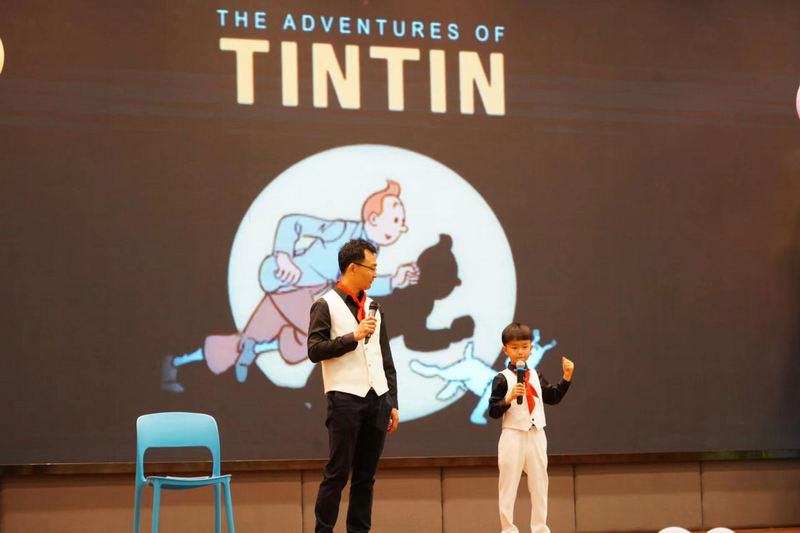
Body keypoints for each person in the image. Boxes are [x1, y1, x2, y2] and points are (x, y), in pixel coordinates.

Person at [161, 180, 418, 391]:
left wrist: (395, 281)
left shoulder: (367, 252)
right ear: (373, 218)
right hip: (290, 288)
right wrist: (284, 255)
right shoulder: (341, 231)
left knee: (283, 345)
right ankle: (189, 359)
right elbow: (291, 223)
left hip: (306, 296)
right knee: (315, 340)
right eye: (396, 220)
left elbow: (356, 282)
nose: (402, 227)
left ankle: (207, 356)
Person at [308, 238, 400, 533]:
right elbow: (314, 350)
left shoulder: (374, 306)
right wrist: (353, 337)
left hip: (378, 399)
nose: (375, 274)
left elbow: (385, 358)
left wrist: (393, 402)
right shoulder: (325, 304)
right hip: (345, 399)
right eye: (371, 268)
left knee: (365, 476)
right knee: (337, 474)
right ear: (352, 268)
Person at [489, 322, 575, 533]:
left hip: (536, 434)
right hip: (513, 435)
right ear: (505, 350)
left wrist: (566, 377)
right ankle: (508, 529)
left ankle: (540, 529)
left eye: (525, 347)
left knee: (539, 483)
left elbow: (552, 397)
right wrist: (508, 398)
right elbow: (493, 411)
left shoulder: (536, 375)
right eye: (515, 348)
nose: (520, 352)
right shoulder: (502, 378)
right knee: (508, 485)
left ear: (531, 348)